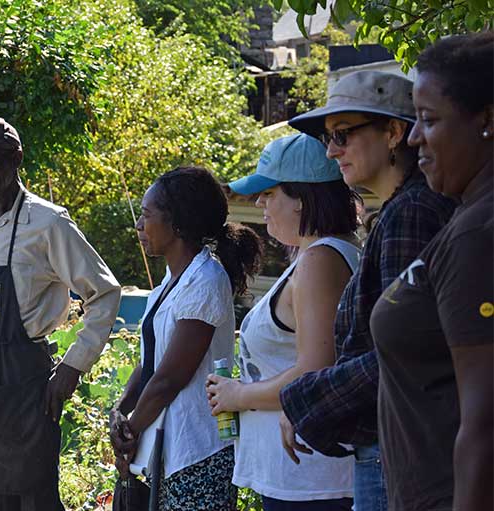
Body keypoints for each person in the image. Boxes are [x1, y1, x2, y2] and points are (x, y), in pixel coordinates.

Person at [276, 71, 455, 511]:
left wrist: (303, 398)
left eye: (342, 134)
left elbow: (399, 354)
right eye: (326, 138)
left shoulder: (410, 213)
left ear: (394, 133)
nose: (331, 150)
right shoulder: (401, 209)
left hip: (396, 452)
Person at [0, 116, 121, 510]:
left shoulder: (47, 223)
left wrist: (74, 366)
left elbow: (105, 292)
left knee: (35, 497)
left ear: (16, 160)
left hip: (28, 381)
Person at [369, 32, 493, 511]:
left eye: (429, 120)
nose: (415, 137)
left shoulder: (479, 236)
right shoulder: (466, 216)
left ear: (487, 119)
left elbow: (485, 421)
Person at [206, 134, 360, 510]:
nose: (260, 203)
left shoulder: (320, 261)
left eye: (269, 193)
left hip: (311, 480)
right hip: (302, 475)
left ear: (303, 200)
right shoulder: (321, 255)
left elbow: (315, 371)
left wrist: (237, 394)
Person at [109, 167, 262, 510]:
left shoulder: (206, 280)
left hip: (199, 455)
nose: (138, 226)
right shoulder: (169, 283)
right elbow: (150, 362)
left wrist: (129, 433)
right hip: (167, 451)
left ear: (176, 223)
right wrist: (119, 412)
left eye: (146, 215)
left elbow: (169, 379)